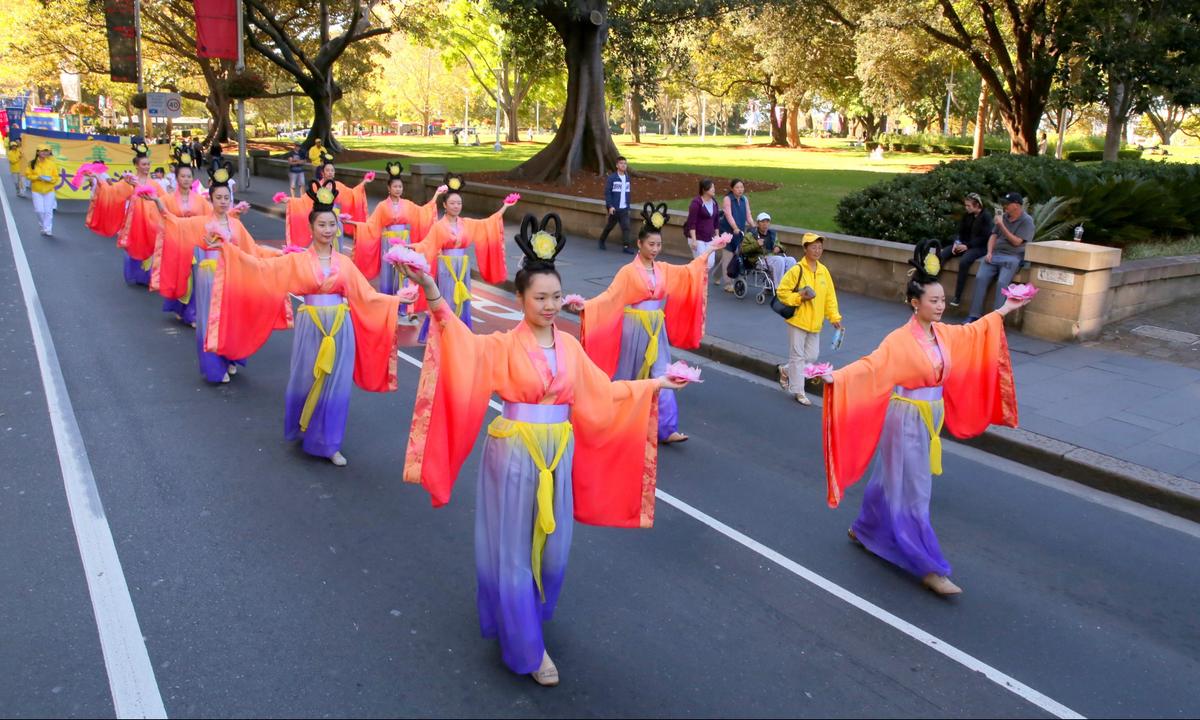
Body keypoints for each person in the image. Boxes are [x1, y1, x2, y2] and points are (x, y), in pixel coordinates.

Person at [400, 216, 690, 686]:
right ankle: (527, 648)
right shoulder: (500, 345)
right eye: (540, 297)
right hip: (513, 452)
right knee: (514, 550)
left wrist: (657, 382)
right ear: (520, 299)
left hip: (559, 452)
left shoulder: (571, 348)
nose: (551, 305)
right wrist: (432, 288)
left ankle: (526, 616)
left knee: (554, 551)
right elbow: (456, 339)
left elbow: (604, 391)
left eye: (556, 296)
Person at [817, 240, 1032, 595]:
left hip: (929, 417)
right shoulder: (899, 341)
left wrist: (1006, 308)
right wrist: (835, 377)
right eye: (933, 301)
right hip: (904, 419)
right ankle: (928, 565)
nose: (940, 306)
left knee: (889, 478)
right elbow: (872, 366)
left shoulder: (943, 333)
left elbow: (975, 332)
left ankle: (866, 527)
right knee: (916, 489)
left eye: (943, 300)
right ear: (914, 304)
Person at [206, 181, 415, 465]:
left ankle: (329, 443)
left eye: (332, 224)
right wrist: (230, 252)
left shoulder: (345, 262)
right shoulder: (297, 261)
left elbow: (366, 294)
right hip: (311, 326)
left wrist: (395, 301)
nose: (328, 230)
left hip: (340, 328)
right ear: (311, 228)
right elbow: (261, 269)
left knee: (336, 384)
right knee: (307, 378)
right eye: (322, 225)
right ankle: (303, 427)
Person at [567, 203, 729, 443]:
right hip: (633, 328)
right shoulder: (628, 272)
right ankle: (612, 421)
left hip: (656, 326)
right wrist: (586, 306)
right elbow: (610, 297)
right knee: (627, 374)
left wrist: (709, 251)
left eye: (658, 245)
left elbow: (688, 272)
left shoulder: (663, 269)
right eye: (651, 244)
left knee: (662, 371)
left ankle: (666, 428)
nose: (655, 249)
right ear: (639, 244)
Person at [144, 165, 282, 384]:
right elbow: (176, 224)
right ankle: (214, 366)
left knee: (232, 319)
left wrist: (277, 254)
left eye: (226, 197)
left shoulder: (236, 225)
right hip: (209, 277)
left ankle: (229, 358)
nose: (223, 201)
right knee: (212, 320)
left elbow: (252, 249)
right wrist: (159, 203)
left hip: (233, 277)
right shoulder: (202, 223)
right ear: (211, 199)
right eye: (218, 197)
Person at [410, 174, 518, 341]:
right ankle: (443, 332)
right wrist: (411, 248)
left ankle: (461, 332)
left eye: (459, 203)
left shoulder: (467, 223)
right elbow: (426, 245)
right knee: (446, 299)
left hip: (463, 267)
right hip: (446, 268)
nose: (456, 206)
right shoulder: (439, 227)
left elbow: (488, 223)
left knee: (463, 299)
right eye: (452, 203)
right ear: (445, 205)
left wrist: (505, 206)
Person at [350, 161, 444, 313]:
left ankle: (403, 307)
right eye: (395, 186)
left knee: (404, 272)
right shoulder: (381, 206)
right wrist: (354, 224)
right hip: (388, 242)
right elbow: (370, 225)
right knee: (388, 272)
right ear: (389, 188)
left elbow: (423, 212)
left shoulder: (407, 204)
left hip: (404, 242)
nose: (398, 189)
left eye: (400, 186)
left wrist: (436, 196)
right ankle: (388, 304)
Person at [774, 233, 843, 406]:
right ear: (805, 249)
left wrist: (834, 317)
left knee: (812, 356)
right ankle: (798, 391)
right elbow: (782, 292)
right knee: (797, 356)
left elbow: (830, 297)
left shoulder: (823, 271)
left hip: (815, 322)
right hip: (798, 320)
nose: (817, 251)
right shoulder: (797, 270)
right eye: (813, 247)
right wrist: (799, 297)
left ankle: (785, 370)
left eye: (820, 247)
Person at [151, 156, 212, 325]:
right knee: (180, 277)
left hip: (195, 245)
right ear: (176, 178)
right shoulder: (168, 199)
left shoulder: (200, 200)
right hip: (176, 244)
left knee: (196, 278)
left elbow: (210, 219)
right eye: (183, 176)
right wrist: (156, 201)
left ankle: (192, 314)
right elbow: (162, 215)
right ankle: (179, 308)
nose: (186, 179)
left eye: (189, 176)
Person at [965, 192, 1034, 322]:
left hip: (1012, 257)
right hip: (995, 255)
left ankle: (996, 320)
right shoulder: (1003, 217)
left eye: (1008, 204)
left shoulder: (1027, 221)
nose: (1005, 206)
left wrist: (1001, 225)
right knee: (980, 278)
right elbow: (993, 236)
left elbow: (1017, 242)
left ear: (1017, 205)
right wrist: (989, 252)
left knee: (1002, 284)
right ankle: (974, 315)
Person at [276, 161, 370, 247]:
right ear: (323, 172)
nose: (330, 172)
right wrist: (288, 200)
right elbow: (304, 201)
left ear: (334, 173)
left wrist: (364, 182)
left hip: (335, 221)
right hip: (321, 221)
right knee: (321, 248)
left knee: (337, 249)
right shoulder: (316, 186)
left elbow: (352, 194)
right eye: (327, 170)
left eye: (332, 170)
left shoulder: (338, 186)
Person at [940, 193, 992, 307]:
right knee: (944, 254)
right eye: (966, 205)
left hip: (979, 247)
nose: (966, 208)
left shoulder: (986, 217)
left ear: (977, 205)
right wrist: (957, 243)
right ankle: (930, 282)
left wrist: (968, 246)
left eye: (969, 206)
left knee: (964, 261)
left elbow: (985, 237)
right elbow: (961, 232)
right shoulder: (967, 216)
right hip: (965, 244)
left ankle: (957, 297)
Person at [683, 179, 729, 291]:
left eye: (714, 187)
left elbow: (716, 222)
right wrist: (693, 240)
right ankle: (700, 288)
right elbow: (691, 222)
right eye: (711, 187)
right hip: (697, 238)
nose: (714, 189)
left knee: (710, 262)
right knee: (702, 262)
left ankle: (691, 276)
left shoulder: (714, 203)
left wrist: (718, 237)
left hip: (710, 238)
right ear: (704, 189)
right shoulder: (696, 203)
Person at [743, 211, 795, 286]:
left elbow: (781, 245)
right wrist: (756, 244)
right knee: (779, 260)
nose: (765, 224)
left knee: (791, 260)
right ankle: (778, 287)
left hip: (772, 257)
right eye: (762, 222)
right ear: (757, 223)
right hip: (759, 260)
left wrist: (779, 248)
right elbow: (744, 250)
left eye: (767, 222)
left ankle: (790, 285)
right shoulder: (750, 235)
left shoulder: (772, 234)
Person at [718, 178, 752, 281]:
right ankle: (728, 283)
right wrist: (735, 227)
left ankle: (716, 275)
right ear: (732, 189)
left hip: (739, 231)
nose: (740, 189)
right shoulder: (727, 199)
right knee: (728, 255)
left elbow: (748, 214)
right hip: (728, 231)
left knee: (731, 255)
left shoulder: (744, 199)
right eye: (737, 187)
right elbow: (728, 215)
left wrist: (753, 225)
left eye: (741, 187)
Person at [598, 156, 632, 252]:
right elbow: (608, 193)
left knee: (626, 227)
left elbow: (628, 193)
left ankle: (626, 247)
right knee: (610, 226)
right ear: (617, 165)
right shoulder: (612, 178)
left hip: (624, 208)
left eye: (625, 163)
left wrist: (628, 206)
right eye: (621, 163)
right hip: (615, 208)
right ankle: (601, 240)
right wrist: (610, 206)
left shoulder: (627, 178)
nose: (623, 165)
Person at [25, 143, 60, 236]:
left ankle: (47, 229)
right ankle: (42, 225)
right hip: (37, 190)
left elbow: (56, 177)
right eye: (43, 151)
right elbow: (28, 175)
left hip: (49, 190)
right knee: (39, 210)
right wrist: (37, 177)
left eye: (47, 151)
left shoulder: (52, 164)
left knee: (48, 211)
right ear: (38, 152)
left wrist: (50, 180)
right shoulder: (32, 163)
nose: (45, 153)